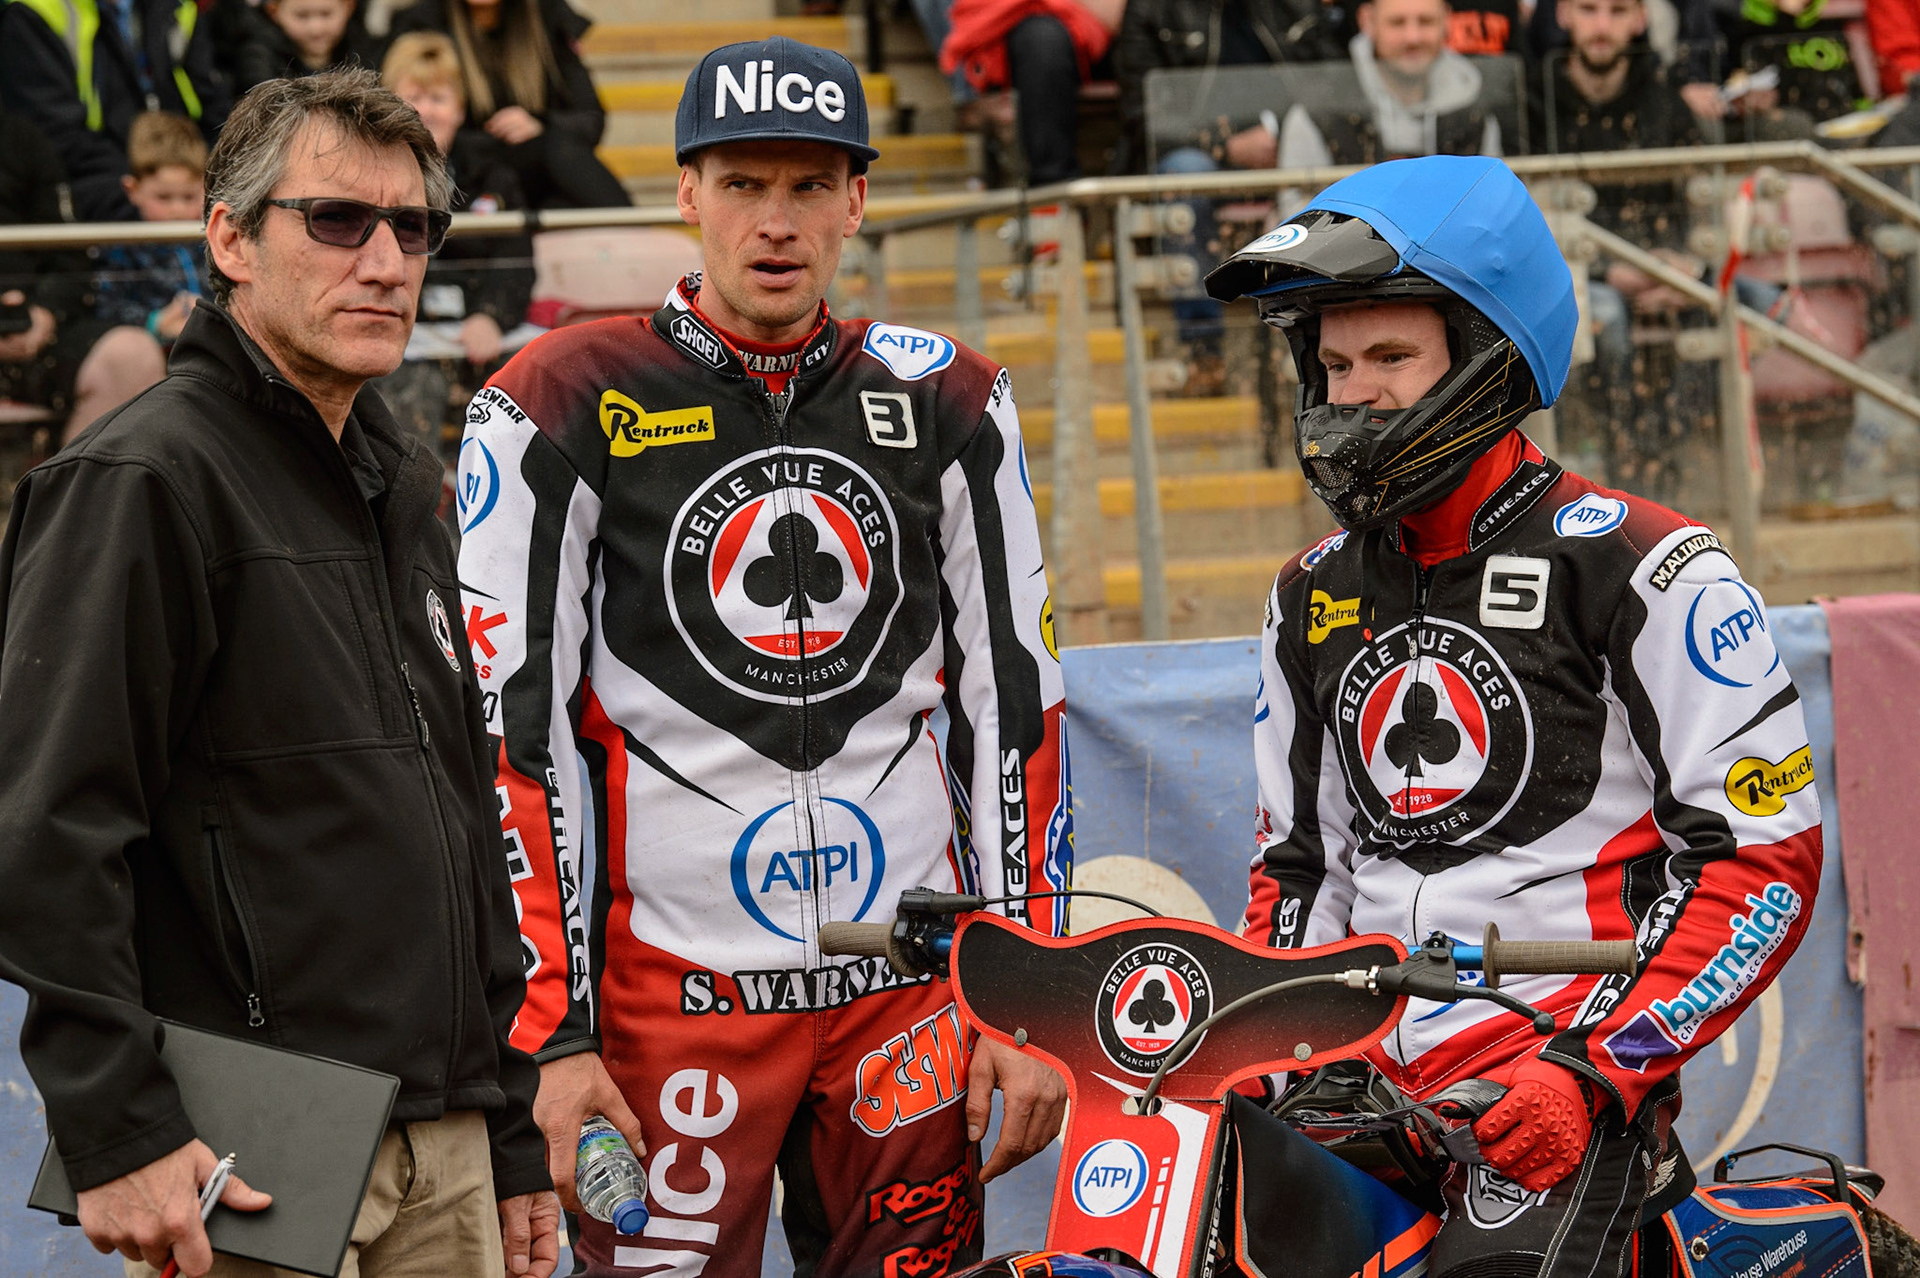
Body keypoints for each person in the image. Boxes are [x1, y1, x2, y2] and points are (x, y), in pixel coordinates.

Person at [458, 35, 1071, 1276]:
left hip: (904, 1000)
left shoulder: (955, 399)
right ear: (687, 192)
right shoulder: (553, 400)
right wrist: (553, 1037)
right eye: (742, 184)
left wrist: (1029, 990)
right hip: (665, 1013)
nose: (774, 222)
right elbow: (508, 744)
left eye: (806, 186)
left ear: (858, 198)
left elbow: (1018, 712)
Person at [1205, 154, 1823, 1278]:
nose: (1353, 394)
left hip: (1555, 1074)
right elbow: (1297, 869)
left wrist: (1596, 1070)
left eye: (1391, 356)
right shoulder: (1308, 592)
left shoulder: (1649, 564)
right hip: (1357, 1071)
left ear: (1489, 360)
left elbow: (1764, 867)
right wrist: (1264, 1047)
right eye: (1333, 361)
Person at [0, 68, 559, 1278]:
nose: (385, 259)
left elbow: (463, 827)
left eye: (413, 227)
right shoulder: (141, 481)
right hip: (254, 1141)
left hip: (447, 1130)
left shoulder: (405, 480)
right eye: (339, 220)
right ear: (231, 240)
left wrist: (507, 1124)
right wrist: (116, 1125)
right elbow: (47, 831)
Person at [377, 30, 537, 447]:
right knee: (410, 397)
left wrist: (490, 315)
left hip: (482, 334)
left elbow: (516, 255)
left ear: (460, 109)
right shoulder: (368, 176)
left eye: (438, 99)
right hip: (405, 339)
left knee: (529, 385)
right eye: (414, 97)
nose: (426, 111)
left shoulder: (494, 173)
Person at [0, 107, 165, 444]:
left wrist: (45, 313)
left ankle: (68, 495)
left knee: (132, 356)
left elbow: (70, 250)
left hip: (36, 327)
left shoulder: (22, 138)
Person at [0, 0, 230, 221]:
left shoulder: (178, 8)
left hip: (191, 177)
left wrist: (202, 178)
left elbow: (217, 112)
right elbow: (54, 132)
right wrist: (143, 188)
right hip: (97, 184)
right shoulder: (34, 13)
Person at [388, 0, 629, 208]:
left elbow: (591, 118)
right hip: (459, 165)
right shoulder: (421, 22)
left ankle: (637, 235)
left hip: (530, 169)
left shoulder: (545, 16)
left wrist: (539, 122)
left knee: (559, 161)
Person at [1277, 0, 1503, 170]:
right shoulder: (1318, 112)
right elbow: (1300, 219)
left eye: (1426, 21)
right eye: (1397, 22)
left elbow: (1490, 204)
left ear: (1446, 21)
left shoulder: (1474, 110)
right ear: (1367, 21)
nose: (1412, 38)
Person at [942, 0, 1121, 184]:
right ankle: (1053, 189)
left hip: (1102, 33)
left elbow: (1114, 14)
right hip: (1028, 39)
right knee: (1042, 40)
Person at [93, 112, 209, 349]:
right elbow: (108, 306)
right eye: (163, 197)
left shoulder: (213, 242)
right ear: (132, 189)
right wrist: (154, 321)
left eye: (189, 196)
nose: (177, 209)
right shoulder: (122, 246)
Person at [232, 0, 384, 92]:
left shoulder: (365, 51)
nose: (315, 29)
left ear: (349, 7)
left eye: (326, 14)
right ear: (274, 12)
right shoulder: (258, 55)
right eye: (302, 16)